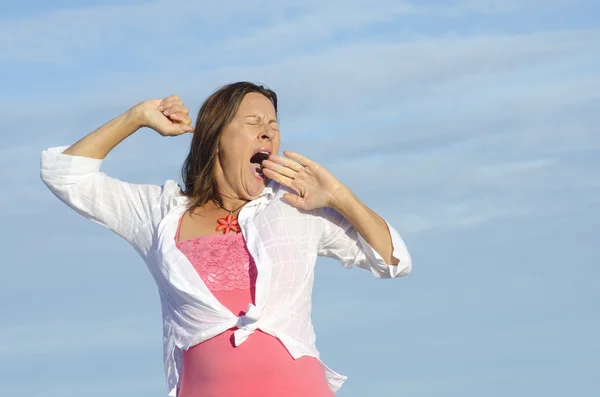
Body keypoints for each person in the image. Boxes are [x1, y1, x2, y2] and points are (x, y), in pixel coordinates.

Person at [40, 82, 412, 397]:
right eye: (252, 122)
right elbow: (65, 175)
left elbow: (393, 259)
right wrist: (137, 117)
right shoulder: (159, 214)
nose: (268, 131)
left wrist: (339, 197)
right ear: (215, 137)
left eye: (273, 124)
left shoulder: (296, 207)